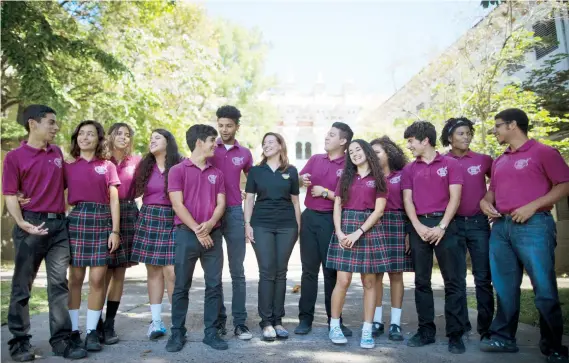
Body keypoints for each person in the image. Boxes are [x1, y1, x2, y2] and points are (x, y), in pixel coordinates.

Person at [479, 108, 569, 363]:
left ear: (513, 125)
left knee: (544, 287)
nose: (494, 130)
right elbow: (491, 192)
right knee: (505, 287)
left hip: (535, 226)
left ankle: (553, 346)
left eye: (498, 125)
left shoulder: (543, 152)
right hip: (501, 228)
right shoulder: (500, 160)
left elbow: (565, 183)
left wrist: (532, 206)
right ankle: (504, 337)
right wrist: (485, 203)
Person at [2, 105, 88, 361]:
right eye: (50, 122)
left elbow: (65, 184)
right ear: (33, 124)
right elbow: (9, 194)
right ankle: (19, 341)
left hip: (59, 227)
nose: (55, 127)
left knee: (59, 285)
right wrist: (20, 221)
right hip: (31, 225)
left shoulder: (57, 154)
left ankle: (61, 341)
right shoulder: (15, 157)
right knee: (22, 287)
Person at [401, 121, 468, 354]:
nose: (409, 145)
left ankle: (456, 334)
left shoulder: (450, 164)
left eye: (411, 141)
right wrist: (417, 226)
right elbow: (407, 200)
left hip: (446, 226)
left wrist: (441, 226)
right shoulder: (410, 169)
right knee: (421, 282)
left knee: (454, 282)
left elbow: (455, 198)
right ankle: (426, 331)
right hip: (419, 225)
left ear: (424, 140)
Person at [166, 124, 227, 352]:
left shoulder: (216, 173)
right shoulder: (178, 170)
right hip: (186, 235)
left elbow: (221, 204)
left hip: (213, 236)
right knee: (181, 285)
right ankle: (177, 333)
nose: (215, 144)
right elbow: (177, 204)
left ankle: (211, 333)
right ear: (200, 142)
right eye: (213, 140)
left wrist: (209, 225)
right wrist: (197, 230)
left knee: (214, 285)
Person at [65, 120, 124, 352]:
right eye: (81, 133)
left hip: (102, 222)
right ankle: (72, 331)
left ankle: (91, 332)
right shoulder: (67, 166)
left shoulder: (107, 166)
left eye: (90, 134)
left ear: (99, 139)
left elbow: (114, 199)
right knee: (75, 279)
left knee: (98, 279)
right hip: (77, 221)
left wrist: (115, 230)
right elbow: (54, 191)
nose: (85, 137)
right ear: (76, 138)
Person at [325, 139, 389, 349]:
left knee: (369, 283)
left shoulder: (379, 178)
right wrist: (340, 231)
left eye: (358, 149)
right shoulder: (345, 177)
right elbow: (337, 206)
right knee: (342, 281)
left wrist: (358, 232)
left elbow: (379, 210)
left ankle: (367, 330)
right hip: (345, 227)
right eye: (351, 151)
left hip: (367, 229)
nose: (354, 153)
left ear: (367, 151)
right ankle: (334, 326)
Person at [295, 122, 354, 337]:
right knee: (308, 271)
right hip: (310, 218)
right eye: (327, 133)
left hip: (333, 220)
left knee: (331, 273)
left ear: (343, 141)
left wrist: (326, 193)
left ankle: (334, 321)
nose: (326, 137)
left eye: (331, 135)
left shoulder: (350, 164)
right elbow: (298, 181)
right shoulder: (315, 159)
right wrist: (302, 180)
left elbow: (351, 196)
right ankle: (305, 319)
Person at [244, 132, 301, 341]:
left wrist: (298, 229)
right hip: (262, 224)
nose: (267, 145)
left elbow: (296, 202)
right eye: (264, 143)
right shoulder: (256, 171)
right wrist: (247, 224)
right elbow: (249, 199)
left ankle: (278, 321)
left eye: (271, 142)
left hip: (287, 226)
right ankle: (266, 322)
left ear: (280, 146)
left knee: (281, 272)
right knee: (267, 271)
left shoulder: (291, 171)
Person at [441, 117, 494, 340]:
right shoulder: (441, 161)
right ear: (450, 137)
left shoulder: (484, 160)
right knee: (456, 278)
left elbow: (500, 183)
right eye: (461, 133)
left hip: (478, 224)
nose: (467, 137)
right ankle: (461, 325)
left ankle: (486, 328)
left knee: (483, 277)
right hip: (451, 226)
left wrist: (492, 205)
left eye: (469, 133)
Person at [130, 129, 183, 339]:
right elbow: (130, 191)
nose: (152, 141)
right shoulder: (145, 166)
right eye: (150, 138)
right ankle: (156, 322)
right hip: (149, 217)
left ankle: (177, 323)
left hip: (173, 218)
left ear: (168, 141)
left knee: (171, 271)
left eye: (157, 138)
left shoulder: (180, 164)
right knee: (153, 271)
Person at [209, 105, 254, 340]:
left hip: (235, 213)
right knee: (214, 273)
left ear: (237, 126)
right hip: (212, 214)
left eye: (229, 126)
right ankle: (218, 321)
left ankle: (240, 323)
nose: (224, 130)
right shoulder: (208, 148)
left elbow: (254, 181)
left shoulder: (244, 153)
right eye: (221, 125)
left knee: (237, 271)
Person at [96, 122, 142, 344]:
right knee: (101, 271)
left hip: (128, 212)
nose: (123, 137)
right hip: (104, 213)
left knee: (119, 273)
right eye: (119, 133)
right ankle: (95, 322)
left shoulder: (137, 161)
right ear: (110, 136)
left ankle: (109, 324)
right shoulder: (101, 160)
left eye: (127, 135)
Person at [370, 136, 413, 341]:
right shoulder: (369, 176)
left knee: (396, 274)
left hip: (398, 223)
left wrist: (408, 232)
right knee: (376, 274)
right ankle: (376, 320)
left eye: (377, 152)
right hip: (374, 225)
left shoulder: (403, 174)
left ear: (389, 153)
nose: (373, 156)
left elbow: (409, 203)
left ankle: (395, 323)